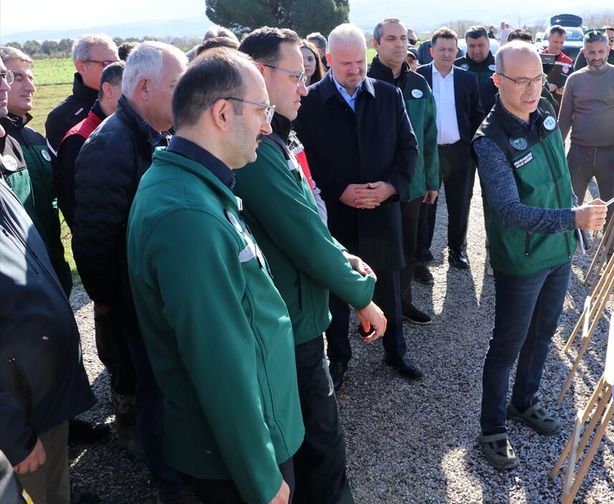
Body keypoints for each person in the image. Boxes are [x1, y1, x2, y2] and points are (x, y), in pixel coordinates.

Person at [126, 47, 301, 504]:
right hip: (235, 463)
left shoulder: (194, 186)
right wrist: (262, 479)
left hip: (245, 442)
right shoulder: (189, 214)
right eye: (261, 110)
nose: (267, 125)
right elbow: (219, 363)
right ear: (223, 113)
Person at [235, 26, 386, 504]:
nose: (304, 87)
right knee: (321, 448)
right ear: (260, 74)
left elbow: (309, 222)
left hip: (296, 315)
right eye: (295, 76)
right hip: (289, 325)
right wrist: (363, 295)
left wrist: (343, 256)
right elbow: (302, 237)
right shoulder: (255, 153)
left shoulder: (276, 137)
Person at [471, 41, 608, 470]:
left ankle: (523, 402)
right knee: (507, 344)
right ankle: (492, 427)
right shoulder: (489, 141)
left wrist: (573, 222)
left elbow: (559, 173)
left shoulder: (544, 109)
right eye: (521, 81)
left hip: (559, 252)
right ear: (498, 81)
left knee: (544, 332)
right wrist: (574, 218)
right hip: (523, 259)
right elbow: (510, 211)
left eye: (537, 79)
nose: (533, 90)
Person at [73, 41, 191, 503]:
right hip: (137, 300)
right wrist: (109, 301)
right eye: (177, 87)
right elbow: (94, 239)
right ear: (144, 87)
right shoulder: (110, 145)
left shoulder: (153, 134)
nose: (185, 97)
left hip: (158, 295)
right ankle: (169, 484)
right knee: (156, 391)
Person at [294, 23, 422, 388]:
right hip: (337, 216)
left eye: (359, 62)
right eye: (346, 63)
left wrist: (389, 187)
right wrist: (339, 191)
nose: (355, 70)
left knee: (389, 288)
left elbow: (408, 149)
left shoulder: (388, 95)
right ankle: (339, 359)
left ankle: (396, 352)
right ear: (329, 60)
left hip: (382, 212)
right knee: (337, 290)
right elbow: (307, 160)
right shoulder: (310, 102)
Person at [1, 56, 96, 504]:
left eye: (6, 74)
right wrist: (13, 434)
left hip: (36, 391)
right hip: (17, 409)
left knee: (54, 481)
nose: (7, 84)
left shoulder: (18, 151)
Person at [369, 18, 439, 325]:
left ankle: (402, 302)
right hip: (378, 186)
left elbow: (429, 135)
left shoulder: (418, 85)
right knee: (378, 250)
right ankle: (373, 309)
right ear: (377, 44)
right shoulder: (366, 82)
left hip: (411, 185)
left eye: (402, 39)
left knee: (408, 248)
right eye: (391, 39)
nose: (399, 44)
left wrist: (431, 179)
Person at [0, 47, 72, 296]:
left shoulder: (35, 138)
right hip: (18, 281)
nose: (29, 87)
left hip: (52, 268)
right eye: (16, 77)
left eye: (31, 78)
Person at [558, 29, 614, 252]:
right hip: (578, 154)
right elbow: (563, 121)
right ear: (584, 52)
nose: (596, 57)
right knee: (568, 205)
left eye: (601, 51)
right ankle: (562, 253)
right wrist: (555, 153)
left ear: (608, 50)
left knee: (613, 210)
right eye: (591, 52)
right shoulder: (574, 80)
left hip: (611, 155)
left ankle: (612, 254)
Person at [416, 27, 484, 275]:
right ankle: (421, 252)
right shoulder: (419, 77)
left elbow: (476, 114)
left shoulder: (468, 79)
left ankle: (457, 250)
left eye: (451, 49)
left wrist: (474, 146)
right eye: (442, 49)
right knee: (426, 203)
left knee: (460, 203)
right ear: (431, 50)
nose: (446, 54)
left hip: (460, 152)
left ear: (457, 52)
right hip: (429, 153)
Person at [55, 61, 124, 225]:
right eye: (130, 88)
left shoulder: (128, 131)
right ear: (108, 90)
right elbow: (75, 208)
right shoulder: (78, 139)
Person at [44, 34, 118, 152]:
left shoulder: (131, 104)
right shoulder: (61, 117)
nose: (116, 71)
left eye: (118, 64)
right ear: (81, 67)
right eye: (107, 64)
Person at [455, 25, 498, 112]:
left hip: (493, 121)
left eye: (480, 45)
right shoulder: (455, 66)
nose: (476, 50)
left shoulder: (501, 65)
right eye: (472, 46)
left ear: (488, 43)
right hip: (465, 121)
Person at [541, 25, 573, 99]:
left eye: (561, 42)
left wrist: (566, 89)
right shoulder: (538, 58)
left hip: (559, 104)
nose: (558, 45)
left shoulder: (568, 62)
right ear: (548, 39)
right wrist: (546, 86)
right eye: (556, 42)